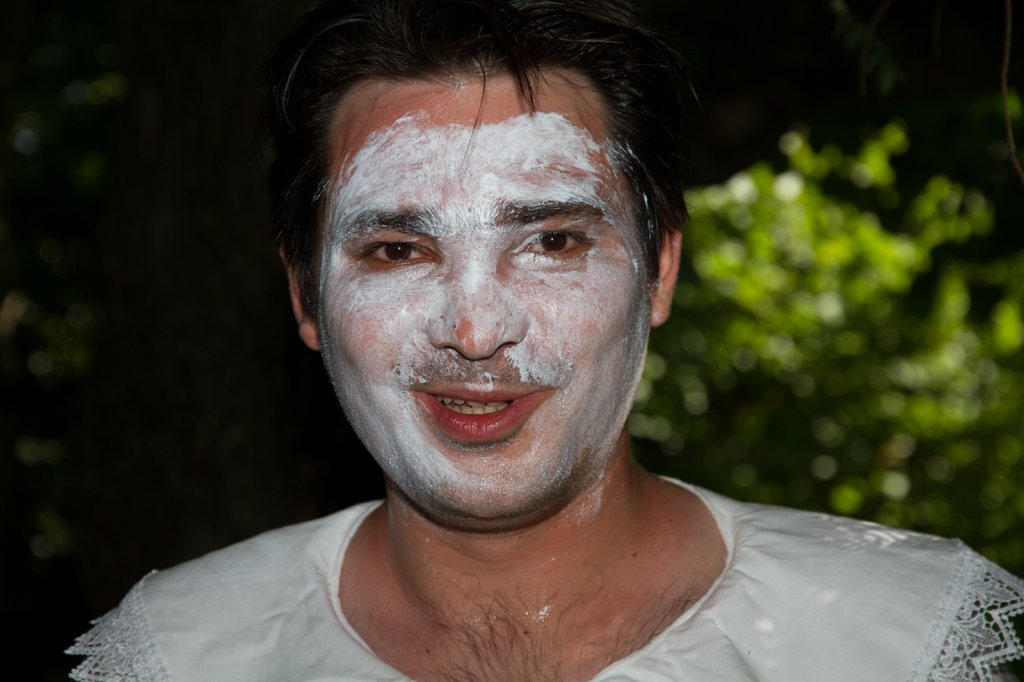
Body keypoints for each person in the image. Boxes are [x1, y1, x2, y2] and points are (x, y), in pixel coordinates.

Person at [68, 0, 1024, 680]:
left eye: (554, 241)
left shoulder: (910, 641)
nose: (476, 331)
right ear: (304, 295)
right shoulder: (178, 655)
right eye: (397, 249)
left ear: (659, 270)